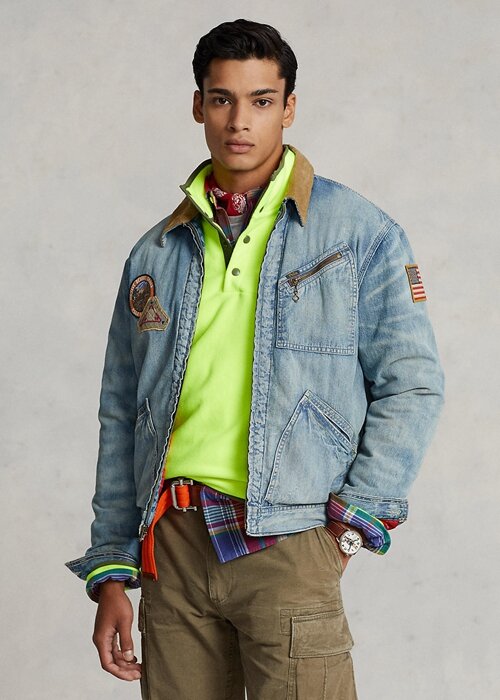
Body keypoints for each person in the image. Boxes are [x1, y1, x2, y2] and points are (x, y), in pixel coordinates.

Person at [66, 18, 444, 700]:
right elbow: (121, 413)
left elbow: (412, 384)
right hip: (173, 547)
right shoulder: (155, 252)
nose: (239, 120)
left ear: (289, 107)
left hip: (288, 540)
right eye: (222, 99)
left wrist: (350, 526)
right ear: (198, 105)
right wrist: (113, 567)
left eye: (261, 100)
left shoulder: (361, 234)